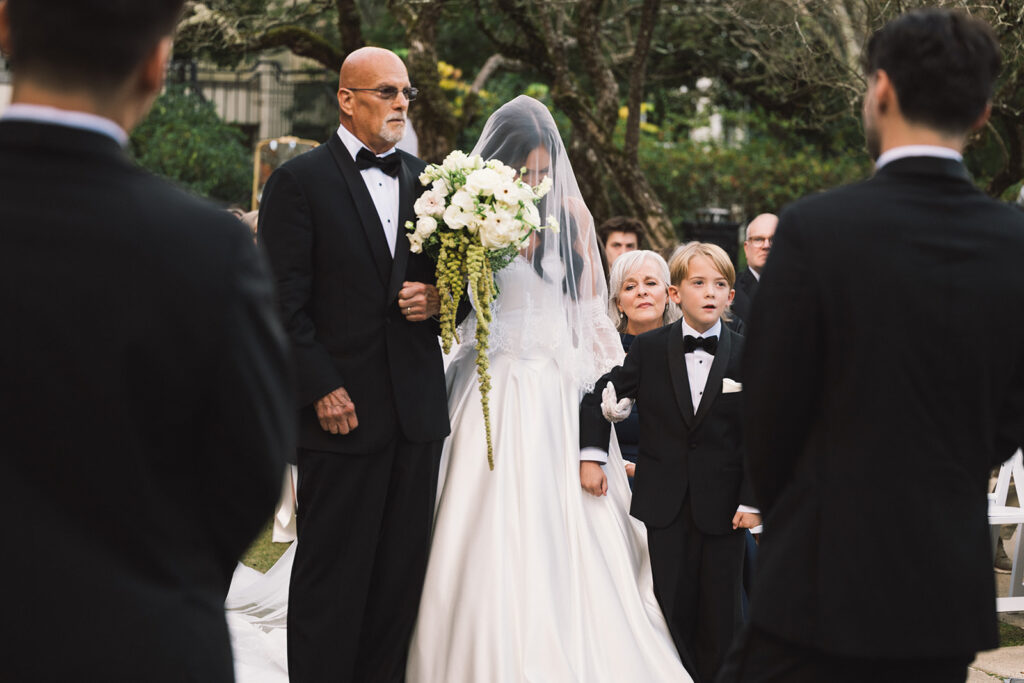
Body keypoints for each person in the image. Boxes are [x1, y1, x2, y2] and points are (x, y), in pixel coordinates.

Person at [721, 9, 1024, 682]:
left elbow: (767, 413)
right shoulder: (1016, 245)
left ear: (881, 89)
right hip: (942, 586)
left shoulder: (814, 230)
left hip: (818, 577)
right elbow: (1011, 414)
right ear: (982, 114)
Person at [0, 1, 293, 681]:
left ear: (5, 24)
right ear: (158, 64)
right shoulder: (210, 249)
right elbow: (251, 466)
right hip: (141, 640)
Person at [406, 95, 691, 683]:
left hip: (554, 384)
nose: (536, 181)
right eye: (527, 170)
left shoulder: (574, 217)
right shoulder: (472, 209)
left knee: (567, 520)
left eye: (544, 170)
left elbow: (586, 312)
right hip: (490, 378)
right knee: (471, 508)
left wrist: (602, 391)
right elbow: (461, 301)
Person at [258, 47, 448, 683]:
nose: (401, 104)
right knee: (332, 576)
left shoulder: (432, 183)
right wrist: (321, 387)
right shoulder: (298, 182)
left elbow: (463, 288)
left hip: (416, 414)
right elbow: (280, 301)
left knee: (399, 580)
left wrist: (440, 298)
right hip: (338, 415)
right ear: (346, 99)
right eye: (386, 91)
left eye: (406, 93)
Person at [581, 241, 760, 683]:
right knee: (670, 606)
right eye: (698, 283)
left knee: (722, 612)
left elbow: (764, 432)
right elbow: (601, 394)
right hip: (664, 505)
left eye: (719, 284)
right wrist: (593, 456)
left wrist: (753, 498)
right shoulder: (649, 349)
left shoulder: (749, 352)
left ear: (731, 295)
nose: (709, 292)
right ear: (676, 294)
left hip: (725, 509)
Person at [607, 249, 681, 478]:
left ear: (668, 295)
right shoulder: (603, 353)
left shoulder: (687, 350)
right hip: (612, 479)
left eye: (650, 283)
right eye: (630, 287)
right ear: (619, 303)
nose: (641, 292)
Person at [730, 213, 776, 323]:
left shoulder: (804, 290)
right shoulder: (729, 290)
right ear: (746, 248)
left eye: (774, 239)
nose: (766, 245)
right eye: (758, 239)